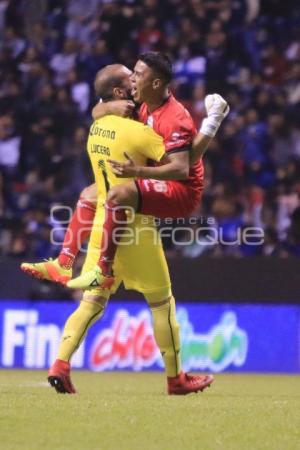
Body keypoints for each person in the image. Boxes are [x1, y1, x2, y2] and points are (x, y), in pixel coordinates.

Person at [47, 64, 214, 395]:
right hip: (135, 225)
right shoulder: (143, 127)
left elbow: (98, 109)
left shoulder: (104, 124)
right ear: (123, 93)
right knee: (162, 303)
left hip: (102, 223)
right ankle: (175, 379)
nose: (135, 81)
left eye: (138, 75)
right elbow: (182, 163)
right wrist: (211, 126)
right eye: (131, 78)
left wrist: (105, 107)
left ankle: (60, 365)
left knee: (91, 301)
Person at [67, 52, 229, 290]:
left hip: (181, 190)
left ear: (155, 83)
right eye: (133, 72)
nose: (132, 79)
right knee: (90, 193)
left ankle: (102, 270)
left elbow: (182, 169)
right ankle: (64, 262)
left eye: (138, 75)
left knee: (117, 194)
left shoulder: (175, 118)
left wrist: (138, 171)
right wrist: (110, 106)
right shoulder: (140, 99)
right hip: (160, 172)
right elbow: (95, 112)